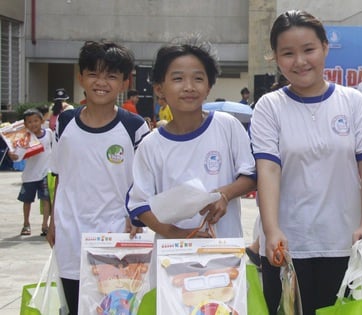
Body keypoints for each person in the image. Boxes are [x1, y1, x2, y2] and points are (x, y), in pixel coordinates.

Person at [250, 10, 362, 315]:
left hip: (341, 243)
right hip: (285, 248)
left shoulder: (352, 103)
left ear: (325, 47)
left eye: (308, 50)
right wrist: (271, 230)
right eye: (288, 53)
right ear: (276, 58)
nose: (299, 61)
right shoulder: (270, 107)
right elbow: (268, 169)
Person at [47, 40, 150, 315]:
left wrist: (137, 217)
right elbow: (59, 174)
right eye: (93, 73)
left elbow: (146, 182)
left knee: (113, 309)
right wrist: (53, 220)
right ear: (80, 76)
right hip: (70, 237)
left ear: (124, 82)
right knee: (73, 305)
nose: (101, 82)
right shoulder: (65, 122)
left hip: (117, 240)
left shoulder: (134, 127)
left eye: (111, 76)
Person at [126, 37, 256, 241]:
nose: (189, 87)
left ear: (209, 87)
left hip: (223, 254)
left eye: (198, 78)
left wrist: (225, 194)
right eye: (178, 79)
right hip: (171, 259)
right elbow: (140, 205)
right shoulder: (150, 145)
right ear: (160, 89)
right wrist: (180, 236)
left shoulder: (227, 126)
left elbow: (251, 176)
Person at [7, 109, 52, 236]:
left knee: (46, 199)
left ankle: (45, 225)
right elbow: (17, 156)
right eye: (30, 122)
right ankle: (26, 224)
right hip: (30, 176)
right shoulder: (24, 139)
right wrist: (12, 155)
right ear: (25, 124)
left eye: (36, 121)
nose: (33, 124)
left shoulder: (49, 133)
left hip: (45, 173)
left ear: (42, 121)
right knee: (27, 201)